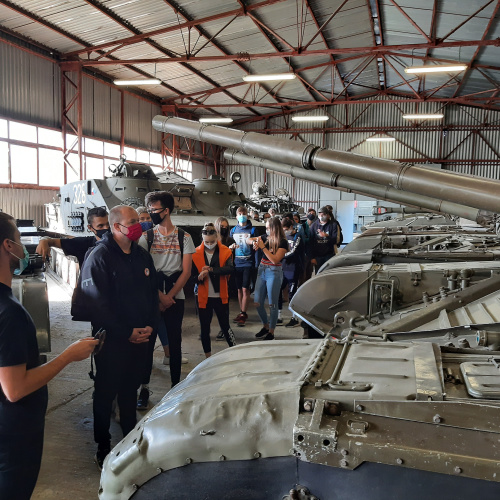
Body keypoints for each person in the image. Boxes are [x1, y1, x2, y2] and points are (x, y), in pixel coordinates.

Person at [0, 212, 97, 499]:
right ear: (8, 246)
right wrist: (68, 355)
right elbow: (15, 389)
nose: (22, 246)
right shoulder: (11, 313)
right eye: (18, 239)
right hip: (14, 434)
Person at [73, 205, 159, 469]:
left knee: (129, 391)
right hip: (112, 340)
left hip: (140, 338)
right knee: (105, 393)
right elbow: (97, 305)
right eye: (132, 221)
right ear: (116, 226)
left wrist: (149, 327)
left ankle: (130, 440)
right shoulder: (100, 256)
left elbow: (152, 294)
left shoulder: (141, 256)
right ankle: (103, 445)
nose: (138, 225)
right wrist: (126, 332)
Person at [139, 191, 195, 389]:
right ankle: (144, 387)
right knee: (148, 342)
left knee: (175, 342)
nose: (151, 213)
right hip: (152, 294)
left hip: (175, 296)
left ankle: (175, 385)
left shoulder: (184, 237)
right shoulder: (146, 237)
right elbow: (142, 271)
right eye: (149, 209)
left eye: (154, 209)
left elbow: (186, 272)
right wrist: (159, 297)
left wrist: (169, 297)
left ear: (167, 210)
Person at [192, 223, 236, 357]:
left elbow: (230, 269)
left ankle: (235, 351)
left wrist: (211, 270)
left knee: (225, 326)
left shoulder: (226, 251)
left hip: (220, 295)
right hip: (202, 296)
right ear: (202, 239)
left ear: (217, 238)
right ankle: (207, 357)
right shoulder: (195, 253)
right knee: (204, 328)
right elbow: (190, 276)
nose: (209, 244)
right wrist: (198, 277)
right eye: (206, 242)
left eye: (212, 242)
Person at [251, 217, 288, 341]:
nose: (266, 230)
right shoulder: (265, 238)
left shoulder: (283, 242)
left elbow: (275, 260)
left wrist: (263, 247)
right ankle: (265, 326)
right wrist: (254, 243)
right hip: (262, 269)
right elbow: (248, 239)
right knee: (257, 302)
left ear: (274, 228)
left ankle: (271, 331)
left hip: (274, 271)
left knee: (272, 303)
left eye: (268, 228)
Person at [35, 207, 110, 267]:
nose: (106, 228)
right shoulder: (84, 244)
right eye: (100, 226)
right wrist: (43, 240)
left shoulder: (116, 243)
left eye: (108, 224)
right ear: (90, 228)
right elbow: (52, 241)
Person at [230, 206, 258, 327]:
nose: (242, 216)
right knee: (239, 289)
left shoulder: (252, 230)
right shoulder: (233, 230)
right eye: (240, 214)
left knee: (245, 288)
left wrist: (255, 263)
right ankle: (241, 311)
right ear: (236, 216)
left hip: (248, 263)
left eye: (244, 213)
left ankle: (243, 313)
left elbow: (256, 247)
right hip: (237, 263)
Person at [278, 218, 305, 328]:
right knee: (278, 290)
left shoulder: (297, 236)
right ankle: (279, 316)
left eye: (286, 229)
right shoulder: (282, 237)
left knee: (292, 293)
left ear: (290, 227)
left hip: (294, 268)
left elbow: (294, 251)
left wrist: (281, 256)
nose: (284, 232)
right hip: (283, 267)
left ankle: (295, 318)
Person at [309, 206, 340, 272]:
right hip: (318, 255)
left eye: (323, 214)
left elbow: (335, 240)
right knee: (319, 272)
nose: (321, 216)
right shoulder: (314, 226)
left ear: (328, 215)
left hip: (329, 254)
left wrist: (326, 236)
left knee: (329, 272)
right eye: (320, 214)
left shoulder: (333, 225)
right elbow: (310, 242)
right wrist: (312, 257)